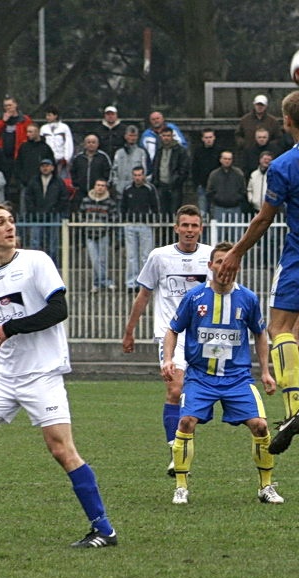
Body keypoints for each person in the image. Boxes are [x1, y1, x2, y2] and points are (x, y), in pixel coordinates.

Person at [0, 204, 117, 549]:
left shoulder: (36, 261)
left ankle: (104, 530)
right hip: (4, 377)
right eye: (0, 223)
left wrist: (11, 328)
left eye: (11, 220)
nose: (9, 226)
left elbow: (59, 310)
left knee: (62, 450)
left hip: (42, 374)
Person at [218, 90, 299, 456]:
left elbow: (264, 218)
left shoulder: (284, 165)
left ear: (286, 121)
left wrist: (236, 252)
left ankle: (293, 409)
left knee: (280, 329)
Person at [162, 241, 281, 505]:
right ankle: (181, 487)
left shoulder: (248, 299)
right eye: (219, 262)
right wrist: (168, 359)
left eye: (229, 262)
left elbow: (260, 334)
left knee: (260, 426)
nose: (224, 267)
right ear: (210, 266)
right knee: (186, 423)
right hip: (200, 377)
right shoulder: (194, 298)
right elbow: (172, 330)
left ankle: (266, 486)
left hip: (237, 378)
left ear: (237, 265)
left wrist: (266, 372)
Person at [122, 205, 212, 475]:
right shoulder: (159, 257)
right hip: (170, 334)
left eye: (194, 226)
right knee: (175, 389)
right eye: (184, 225)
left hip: (205, 337)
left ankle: (184, 437)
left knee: (199, 397)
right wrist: (130, 331)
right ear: (176, 228)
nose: (189, 231)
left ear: (200, 229)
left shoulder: (210, 256)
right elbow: (144, 295)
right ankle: (176, 451)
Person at [120, 166, 160, 290]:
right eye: (135, 175)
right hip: (130, 224)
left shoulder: (149, 189)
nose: (137, 178)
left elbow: (155, 206)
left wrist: (155, 220)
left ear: (144, 176)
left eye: (139, 175)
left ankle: (145, 283)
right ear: (133, 176)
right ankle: (131, 283)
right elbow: (123, 206)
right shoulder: (127, 189)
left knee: (145, 255)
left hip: (145, 224)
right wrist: (124, 220)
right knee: (131, 255)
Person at [23, 158, 68, 263]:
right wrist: (32, 211)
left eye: (47, 166)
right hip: (36, 216)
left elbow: (64, 198)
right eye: (43, 166)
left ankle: (53, 264)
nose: (45, 168)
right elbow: (28, 197)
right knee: (35, 242)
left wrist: (56, 210)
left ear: (52, 168)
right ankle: (35, 264)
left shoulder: (58, 182)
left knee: (53, 243)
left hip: (53, 215)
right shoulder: (34, 181)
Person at [78, 179, 116, 291]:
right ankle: (105, 281)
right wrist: (86, 225)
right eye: (98, 185)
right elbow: (80, 215)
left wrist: (106, 227)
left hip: (103, 234)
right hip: (90, 235)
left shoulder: (110, 202)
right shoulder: (86, 200)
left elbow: (114, 218)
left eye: (103, 186)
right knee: (95, 260)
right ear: (94, 186)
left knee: (102, 260)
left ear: (106, 188)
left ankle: (96, 284)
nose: (100, 187)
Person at [15, 124, 54, 216]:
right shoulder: (23, 147)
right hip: (26, 183)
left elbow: (52, 165)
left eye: (30, 132)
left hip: (42, 184)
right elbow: (18, 165)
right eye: (27, 132)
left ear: (37, 132)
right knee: (24, 210)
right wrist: (22, 179)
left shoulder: (45, 148)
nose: (28, 134)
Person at [151, 127, 190, 215]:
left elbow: (184, 169)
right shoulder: (159, 151)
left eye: (168, 135)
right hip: (161, 186)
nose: (166, 138)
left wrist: (177, 181)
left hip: (175, 187)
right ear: (161, 136)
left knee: (174, 213)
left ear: (172, 136)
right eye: (164, 135)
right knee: (162, 213)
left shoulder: (180, 151)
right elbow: (155, 167)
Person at [110, 125, 149, 202]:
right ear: (125, 136)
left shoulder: (141, 152)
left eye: (135, 136)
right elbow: (114, 169)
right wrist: (116, 184)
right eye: (130, 135)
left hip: (136, 189)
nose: (132, 138)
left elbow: (145, 170)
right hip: (120, 190)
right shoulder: (119, 152)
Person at [70, 134, 113, 204]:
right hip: (81, 191)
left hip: (98, 192)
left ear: (98, 144)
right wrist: (76, 184)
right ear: (84, 144)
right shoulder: (78, 158)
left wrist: (105, 185)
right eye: (89, 142)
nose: (91, 144)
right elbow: (73, 172)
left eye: (93, 142)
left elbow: (109, 171)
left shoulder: (103, 157)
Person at [205, 150, 246, 221]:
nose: (227, 161)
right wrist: (217, 198)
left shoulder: (239, 174)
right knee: (218, 231)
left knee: (236, 231)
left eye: (229, 159)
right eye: (225, 159)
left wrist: (236, 198)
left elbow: (243, 190)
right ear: (220, 160)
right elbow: (209, 191)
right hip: (219, 207)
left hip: (235, 207)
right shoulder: (214, 174)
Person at [191, 128, 221, 217]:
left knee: (215, 213)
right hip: (202, 186)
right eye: (206, 137)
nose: (208, 139)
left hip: (216, 188)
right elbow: (194, 169)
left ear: (214, 138)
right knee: (202, 213)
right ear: (202, 139)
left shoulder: (219, 151)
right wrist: (196, 184)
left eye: (210, 137)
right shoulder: (198, 152)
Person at [40, 106, 74, 178]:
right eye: (46, 115)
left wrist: (66, 158)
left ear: (55, 116)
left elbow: (68, 143)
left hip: (61, 159)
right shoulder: (43, 128)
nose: (47, 117)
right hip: (48, 160)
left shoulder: (64, 127)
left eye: (49, 115)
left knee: (61, 179)